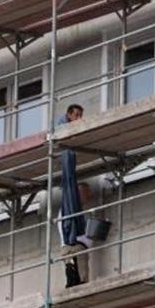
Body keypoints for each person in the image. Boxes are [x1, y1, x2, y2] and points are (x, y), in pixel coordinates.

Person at [57, 104, 91, 288]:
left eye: (81, 115)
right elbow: (66, 228)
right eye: (76, 115)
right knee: (80, 281)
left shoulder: (77, 209)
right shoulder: (69, 206)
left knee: (79, 278)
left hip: (75, 247)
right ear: (69, 115)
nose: (78, 118)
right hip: (73, 247)